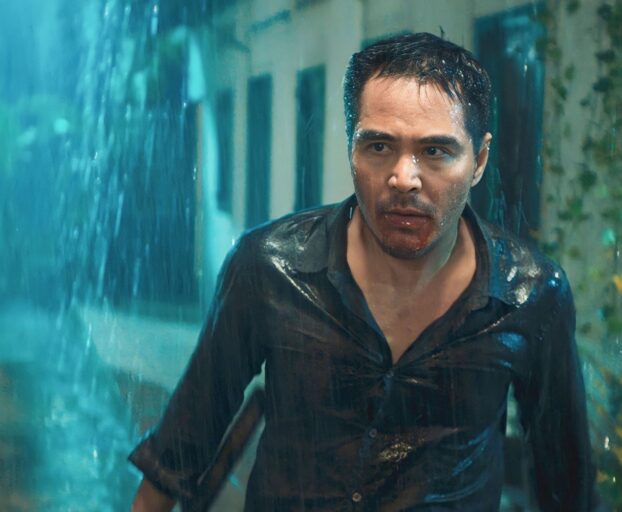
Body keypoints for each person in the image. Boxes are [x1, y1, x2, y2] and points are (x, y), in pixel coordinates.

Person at [130, 32, 595, 511]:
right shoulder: (270, 268)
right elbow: (180, 448)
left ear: (478, 160)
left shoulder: (529, 295)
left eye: (435, 152)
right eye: (378, 146)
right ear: (351, 149)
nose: (403, 178)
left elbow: (566, 482)